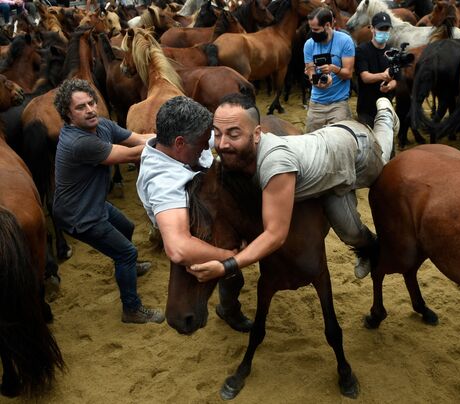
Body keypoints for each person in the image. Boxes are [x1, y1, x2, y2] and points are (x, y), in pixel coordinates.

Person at [186, 93, 400, 283]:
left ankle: (386, 117)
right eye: (217, 133)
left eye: (233, 134)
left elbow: (275, 235)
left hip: (355, 147)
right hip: (330, 171)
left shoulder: (276, 164)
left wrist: (226, 266)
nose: (222, 144)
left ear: (257, 134)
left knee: (383, 159)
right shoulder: (237, 154)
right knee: (350, 233)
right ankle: (366, 249)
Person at [136, 96, 252, 332]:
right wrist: (229, 255)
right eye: (201, 143)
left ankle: (228, 306)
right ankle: (229, 310)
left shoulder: (182, 145)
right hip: (186, 231)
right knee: (229, 273)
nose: (206, 147)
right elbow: (179, 249)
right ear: (179, 143)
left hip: (207, 216)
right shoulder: (163, 182)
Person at [53, 78, 164, 325]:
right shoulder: (78, 142)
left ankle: (129, 270)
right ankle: (132, 310)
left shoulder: (101, 125)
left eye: (91, 103)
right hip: (78, 214)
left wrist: (168, 135)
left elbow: (138, 138)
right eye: (80, 107)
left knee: (126, 228)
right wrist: (173, 145)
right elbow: (132, 153)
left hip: (93, 202)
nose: (90, 109)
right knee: (126, 253)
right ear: (68, 114)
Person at [303, 7, 355, 132]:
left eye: (316, 29)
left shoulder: (345, 41)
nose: (312, 32)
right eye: (311, 29)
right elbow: (310, 69)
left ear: (327, 25)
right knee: (311, 140)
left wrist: (334, 69)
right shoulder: (309, 44)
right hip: (316, 102)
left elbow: (348, 73)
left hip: (338, 103)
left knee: (340, 140)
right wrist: (314, 79)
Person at [355, 11, 397, 128]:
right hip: (366, 109)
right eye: (380, 29)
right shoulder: (362, 50)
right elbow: (365, 77)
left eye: (386, 29)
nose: (384, 32)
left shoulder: (392, 52)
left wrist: (390, 86)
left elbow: (397, 80)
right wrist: (383, 76)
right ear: (372, 29)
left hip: (386, 108)